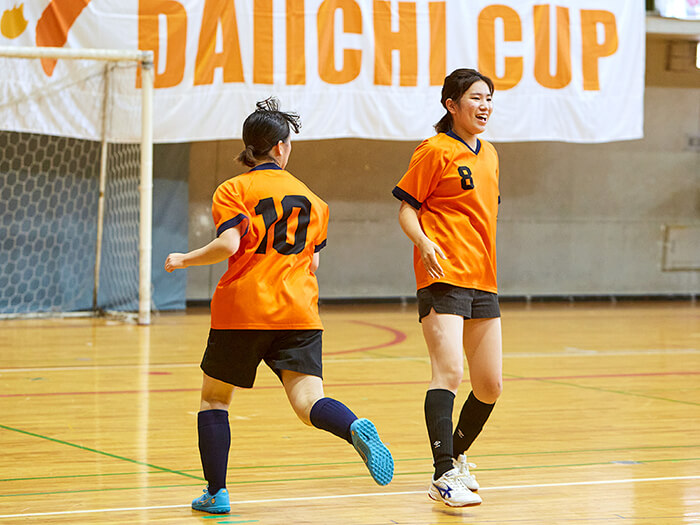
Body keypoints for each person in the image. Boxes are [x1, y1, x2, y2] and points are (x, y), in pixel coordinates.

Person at [165, 97, 394, 515]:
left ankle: (216, 493)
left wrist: (183, 259)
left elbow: (229, 244)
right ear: (280, 147)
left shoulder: (233, 189)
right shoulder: (314, 200)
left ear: (251, 147)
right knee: (308, 403)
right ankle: (351, 425)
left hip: (243, 310)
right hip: (299, 312)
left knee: (215, 400)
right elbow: (313, 263)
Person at [392, 69, 502, 507]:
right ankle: (442, 474)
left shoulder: (490, 154)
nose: (485, 105)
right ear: (451, 105)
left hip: (483, 278)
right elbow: (406, 209)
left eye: (488, 98)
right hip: (442, 274)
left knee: (489, 385)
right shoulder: (434, 149)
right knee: (449, 372)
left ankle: (455, 457)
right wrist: (424, 242)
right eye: (476, 97)